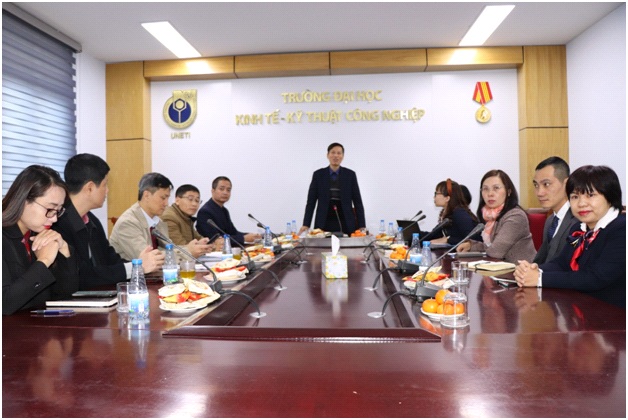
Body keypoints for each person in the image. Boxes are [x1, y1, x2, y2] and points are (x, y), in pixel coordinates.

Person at [514, 165, 625, 308]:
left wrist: (540, 279)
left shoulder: (622, 229)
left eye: (590, 195)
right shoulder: (579, 228)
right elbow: (561, 264)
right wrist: (533, 270)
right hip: (580, 307)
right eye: (575, 197)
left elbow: (596, 278)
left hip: (613, 314)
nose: (581, 203)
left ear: (610, 196)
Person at [53, 154, 164, 289]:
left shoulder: (91, 220)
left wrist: (138, 264)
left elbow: (111, 261)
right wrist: (136, 267)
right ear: (90, 188)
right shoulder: (58, 223)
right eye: (105, 185)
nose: (107, 191)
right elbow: (81, 275)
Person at [2, 165, 78, 315]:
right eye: (50, 209)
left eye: (58, 211)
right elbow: (4, 304)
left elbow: (64, 295)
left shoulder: (37, 235)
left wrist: (64, 251)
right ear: (24, 200)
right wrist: (44, 261)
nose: (54, 218)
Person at [110, 172, 209, 261]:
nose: (166, 203)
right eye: (163, 198)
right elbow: (149, 258)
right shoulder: (128, 223)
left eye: (167, 198)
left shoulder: (157, 221)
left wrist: (193, 248)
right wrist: (188, 252)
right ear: (146, 195)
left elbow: (169, 248)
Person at [457, 169, 536, 263]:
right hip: (501, 268)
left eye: (496, 188)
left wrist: (475, 246)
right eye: (485, 189)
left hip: (521, 270)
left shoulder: (516, 216)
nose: (490, 194)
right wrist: (471, 245)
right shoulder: (489, 216)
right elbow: (492, 247)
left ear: (508, 191)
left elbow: (495, 252)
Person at [298, 143, 366, 235]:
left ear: (342, 156)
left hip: (346, 221)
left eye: (339, 153)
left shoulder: (350, 175)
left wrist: (362, 226)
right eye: (333, 153)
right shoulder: (318, 175)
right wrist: (306, 224)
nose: (336, 156)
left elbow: (358, 202)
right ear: (328, 155)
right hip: (324, 220)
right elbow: (311, 202)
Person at [532, 156, 576, 264]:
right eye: (536, 185)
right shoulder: (550, 221)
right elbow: (542, 260)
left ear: (566, 184)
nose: (539, 193)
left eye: (546, 184)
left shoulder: (578, 220)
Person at [196, 176, 261, 245]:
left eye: (228, 190)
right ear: (213, 191)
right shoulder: (205, 212)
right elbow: (216, 239)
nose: (225, 192)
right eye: (221, 189)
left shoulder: (224, 210)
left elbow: (233, 233)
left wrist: (251, 236)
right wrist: (244, 238)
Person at [162, 184, 222, 252]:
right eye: (190, 199)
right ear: (177, 200)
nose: (194, 204)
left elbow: (198, 238)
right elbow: (180, 247)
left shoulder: (186, 217)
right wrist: (209, 247)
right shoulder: (169, 217)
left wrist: (211, 244)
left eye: (197, 200)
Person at [421, 178, 478, 245]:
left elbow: (472, 238)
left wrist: (447, 240)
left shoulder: (459, 213)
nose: (434, 197)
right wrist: (414, 234)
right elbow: (433, 234)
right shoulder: (448, 215)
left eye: (436, 193)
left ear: (447, 198)